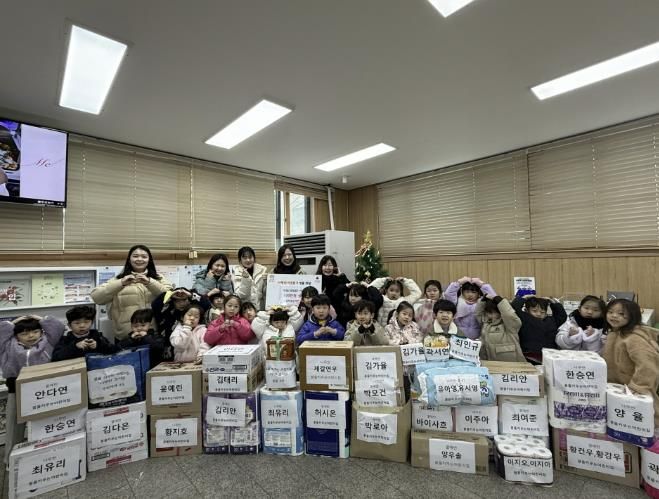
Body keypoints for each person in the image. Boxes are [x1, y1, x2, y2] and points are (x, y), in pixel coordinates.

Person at [0, 315, 64, 465]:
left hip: (44, 388)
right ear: (16, 335)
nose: (30, 336)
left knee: (44, 422)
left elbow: (58, 326)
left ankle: (45, 454)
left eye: (35, 332)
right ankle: (10, 459)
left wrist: (38, 319)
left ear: (41, 332)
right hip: (16, 388)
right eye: (24, 333)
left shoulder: (48, 342)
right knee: (14, 424)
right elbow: (2, 331)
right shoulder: (8, 345)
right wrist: (16, 321)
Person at [90, 245, 172, 340]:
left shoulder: (158, 278)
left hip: (153, 333)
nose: (139, 259)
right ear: (129, 259)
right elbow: (97, 298)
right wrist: (121, 283)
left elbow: (170, 297)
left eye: (144, 256)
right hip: (126, 336)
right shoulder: (119, 279)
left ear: (149, 260)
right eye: (135, 256)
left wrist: (150, 283)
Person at [603, 299, 659, 427]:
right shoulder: (615, 333)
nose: (614, 316)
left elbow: (648, 366)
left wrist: (637, 388)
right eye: (610, 312)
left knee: (641, 426)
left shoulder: (634, 338)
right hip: (618, 392)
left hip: (634, 394)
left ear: (632, 316)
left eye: (621, 314)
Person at [511, 294, 567, 364]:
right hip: (529, 356)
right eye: (534, 311)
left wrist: (554, 303)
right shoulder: (524, 318)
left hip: (549, 356)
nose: (538, 314)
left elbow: (562, 316)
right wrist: (524, 298)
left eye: (542, 312)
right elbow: (514, 308)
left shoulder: (552, 320)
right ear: (527, 310)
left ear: (546, 312)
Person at [52, 305, 118, 360]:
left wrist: (98, 345)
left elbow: (112, 350)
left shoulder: (97, 336)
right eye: (77, 323)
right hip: (77, 368)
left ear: (92, 323)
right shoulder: (66, 339)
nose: (82, 326)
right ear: (69, 325)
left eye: (86, 322)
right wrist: (75, 346)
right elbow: (56, 357)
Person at [476, 294, 525, 361]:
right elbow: (478, 314)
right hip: (491, 362)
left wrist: (499, 300)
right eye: (489, 312)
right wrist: (482, 302)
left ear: (500, 312)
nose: (490, 315)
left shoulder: (510, 325)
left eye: (494, 312)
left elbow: (509, 315)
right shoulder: (486, 323)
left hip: (512, 362)